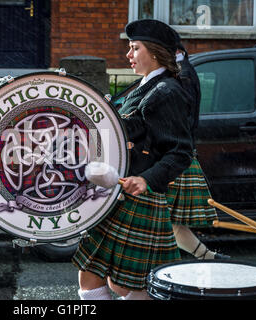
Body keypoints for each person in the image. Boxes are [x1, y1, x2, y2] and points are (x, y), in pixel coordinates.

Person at [72, 19, 193, 300]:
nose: (128, 55)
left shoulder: (166, 92)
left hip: (140, 198)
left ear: (154, 52)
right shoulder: (143, 87)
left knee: (129, 285)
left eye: (134, 48)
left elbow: (180, 151)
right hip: (119, 197)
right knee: (96, 275)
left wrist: (146, 179)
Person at [165, 31, 230, 260]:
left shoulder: (181, 76)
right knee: (169, 221)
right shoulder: (180, 73)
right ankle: (208, 258)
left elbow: (182, 118)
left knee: (163, 219)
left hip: (174, 154)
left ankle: (201, 261)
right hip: (176, 153)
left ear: (177, 52)